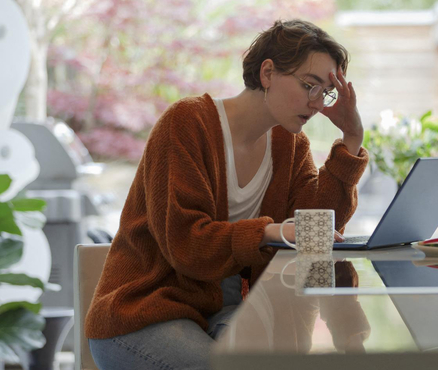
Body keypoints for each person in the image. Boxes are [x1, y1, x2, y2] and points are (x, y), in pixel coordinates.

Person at [86, 19, 369, 370]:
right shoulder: (187, 123)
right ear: (268, 73)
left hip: (223, 310)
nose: (317, 104)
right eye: (309, 85)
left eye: (325, 93)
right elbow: (185, 245)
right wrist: (268, 231)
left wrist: (352, 138)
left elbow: (316, 228)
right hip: (144, 313)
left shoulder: (290, 144)